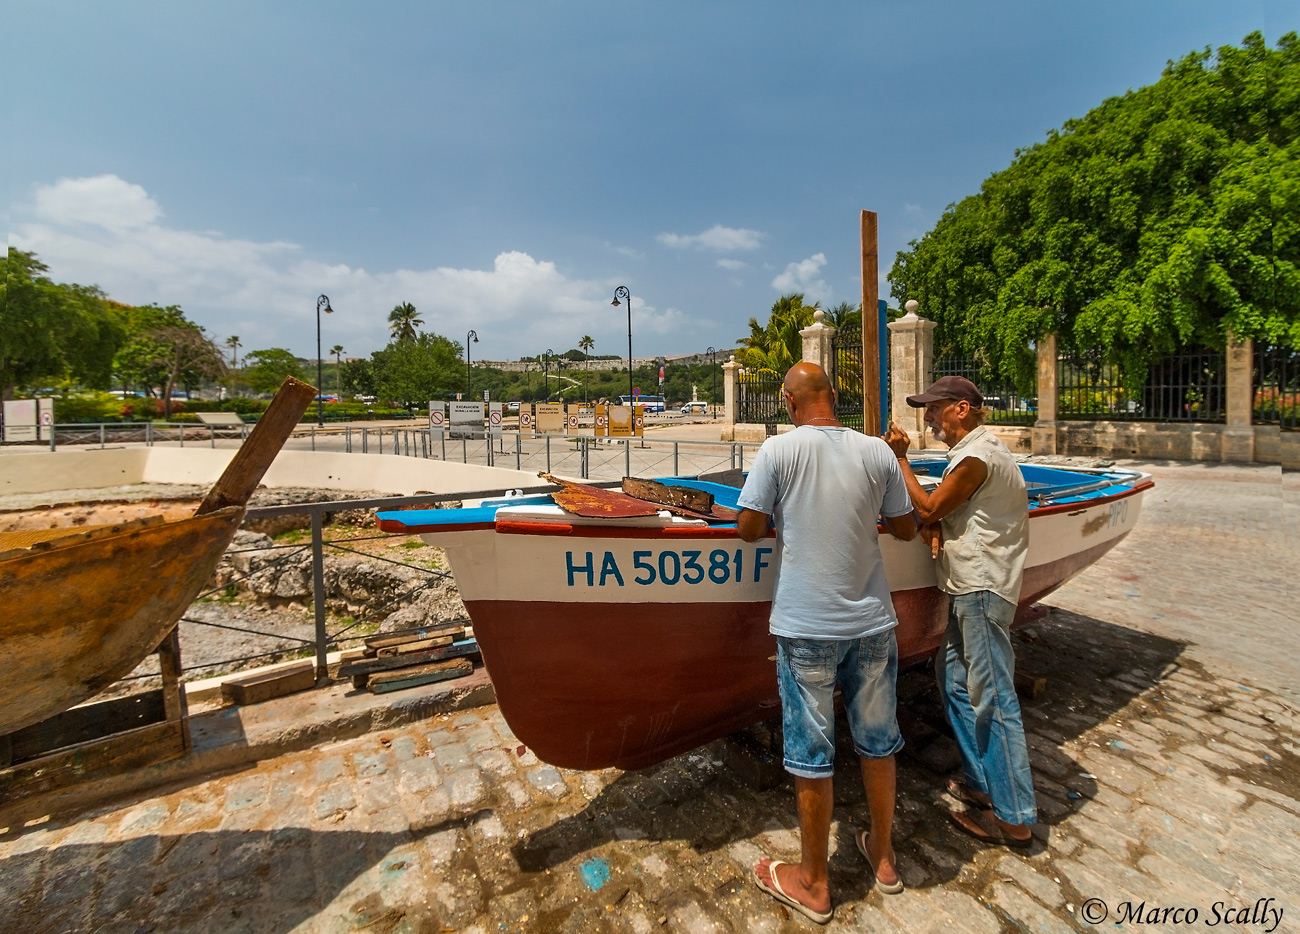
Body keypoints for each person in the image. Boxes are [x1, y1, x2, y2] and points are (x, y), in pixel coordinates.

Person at [737, 362, 917, 925]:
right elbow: (907, 527)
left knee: (812, 755)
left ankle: (814, 882)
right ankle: (884, 859)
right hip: (871, 625)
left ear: (789, 403)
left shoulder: (778, 452)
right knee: (879, 742)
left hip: (807, 625)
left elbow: (747, 526)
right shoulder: (877, 453)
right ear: (834, 398)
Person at [883, 375, 1037, 848]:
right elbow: (948, 510)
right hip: (968, 587)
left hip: (982, 589)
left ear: (963, 409)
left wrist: (900, 458)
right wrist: (939, 525)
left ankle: (1014, 820)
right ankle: (981, 781)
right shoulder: (974, 456)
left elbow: (928, 504)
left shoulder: (975, 458)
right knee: (952, 678)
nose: (928, 416)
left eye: (935, 407)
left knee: (993, 696)